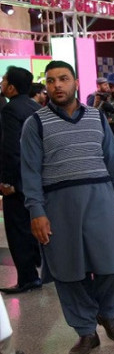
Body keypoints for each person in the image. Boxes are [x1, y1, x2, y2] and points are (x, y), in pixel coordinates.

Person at [20, 60, 114, 354]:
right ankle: (86, 332)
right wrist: (36, 211)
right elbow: (30, 172)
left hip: (100, 199)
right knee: (69, 274)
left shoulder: (97, 118)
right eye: (51, 80)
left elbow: (112, 161)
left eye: (63, 79)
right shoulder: (35, 123)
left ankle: (106, 312)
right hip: (58, 205)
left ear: (76, 83)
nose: (57, 85)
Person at [0, 66, 42, 294]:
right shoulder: (35, 107)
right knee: (34, 225)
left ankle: (27, 277)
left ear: (12, 87)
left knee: (18, 230)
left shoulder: (10, 109)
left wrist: (8, 181)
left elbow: (11, 148)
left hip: (18, 181)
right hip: (35, 178)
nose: (1, 83)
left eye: (4, 79)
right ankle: (41, 270)